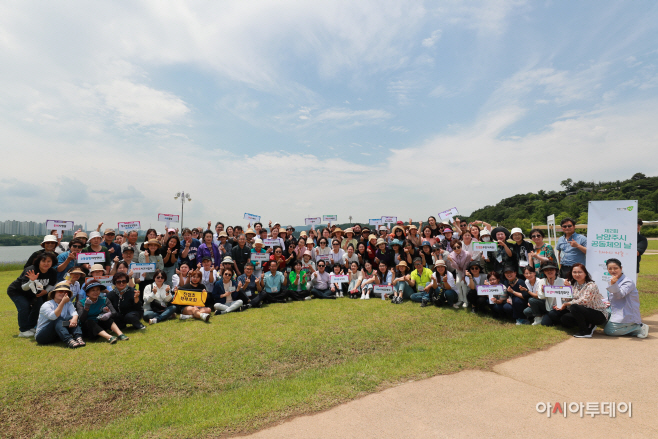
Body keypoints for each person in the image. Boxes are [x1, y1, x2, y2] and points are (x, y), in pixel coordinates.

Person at [7, 252, 58, 337]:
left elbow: (52, 284)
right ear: (39, 262)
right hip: (17, 291)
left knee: (38, 307)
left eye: (49, 261)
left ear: (52, 262)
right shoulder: (31, 270)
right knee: (24, 306)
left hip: (34, 293)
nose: (46, 263)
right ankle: (23, 330)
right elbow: (24, 287)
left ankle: (30, 327)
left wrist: (45, 291)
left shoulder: (52, 271)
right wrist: (31, 280)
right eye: (43, 261)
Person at [603, 258, 649, 338]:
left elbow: (619, 295)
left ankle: (639, 328)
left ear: (621, 268)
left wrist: (613, 284)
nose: (612, 270)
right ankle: (627, 328)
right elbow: (610, 298)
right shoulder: (614, 280)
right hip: (615, 310)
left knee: (609, 330)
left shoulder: (628, 282)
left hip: (627, 313)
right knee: (600, 315)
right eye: (610, 268)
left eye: (615, 268)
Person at [560, 263, 608, 338]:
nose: (577, 274)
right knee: (565, 318)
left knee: (574, 307)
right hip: (584, 312)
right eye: (574, 272)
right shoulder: (573, 284)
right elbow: (566, 298)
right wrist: (567, 289)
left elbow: (584, 301)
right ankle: (590, 325)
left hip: (598, 314)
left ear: (585, 273)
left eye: (580, 272)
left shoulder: (591, 285)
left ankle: (585, 331)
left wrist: (566, 304)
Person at [34, 282, 84, 347]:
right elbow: (53, 317)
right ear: (54, 293)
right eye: (60, 291)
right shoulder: (46, 305)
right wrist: (63, 302)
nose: (63, 293)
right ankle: (68, 340)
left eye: (66, 292)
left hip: (57, 334)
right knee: (58, 319)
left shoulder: (68, 303)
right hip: (43, 336)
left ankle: (78, 337)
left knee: (70, 318)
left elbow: (74, 313)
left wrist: (74, 319)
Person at [537, 263, 568, 327]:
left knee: (554, 315)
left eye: (551, 269)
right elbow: (540, 296)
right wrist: (543, 291)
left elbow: (568, 296)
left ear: (555, 271)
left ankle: (562, 320)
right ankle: (557, 321)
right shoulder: (542, 281)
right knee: (545, 323)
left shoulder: (563, 281)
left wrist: (563, 305)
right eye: (546, 270)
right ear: (544, 272)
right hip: (550, 308)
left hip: (562, 307)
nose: (549, 271)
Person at [447, 239, 472, 308]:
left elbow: (465, 266)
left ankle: (465, 301)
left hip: (466, 271)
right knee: (457, 283)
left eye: (458, 247)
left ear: (461, 246)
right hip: (458, 270)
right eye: (454, 248)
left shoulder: (467, 254)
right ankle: (460, 299)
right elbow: (455, 266)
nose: (457, 249)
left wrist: (463, 277)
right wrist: (451, 260)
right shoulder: (451, 255)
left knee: (463, 283)